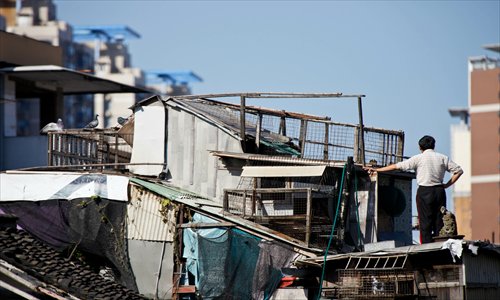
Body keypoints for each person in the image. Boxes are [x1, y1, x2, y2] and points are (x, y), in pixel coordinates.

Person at [364, 135, 463, 244]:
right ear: (433, 146)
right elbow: (458, 171)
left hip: (424, 192)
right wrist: (447, 185)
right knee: (439, 220)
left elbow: (397, 166)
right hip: (439, 191)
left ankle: (427, 247)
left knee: (425, 222)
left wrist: (378, 170)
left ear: (420, 147)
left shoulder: (418, 158)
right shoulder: (443, 158)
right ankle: (439, 244)